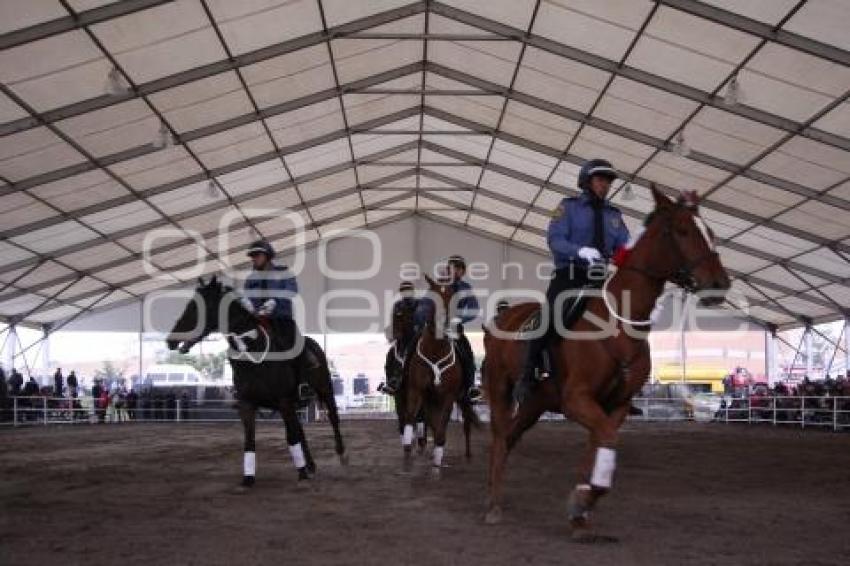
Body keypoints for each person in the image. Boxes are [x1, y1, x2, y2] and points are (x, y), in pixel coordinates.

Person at [516, 158, 630, 401]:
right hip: (570, 273)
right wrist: (579, 251)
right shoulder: (568, 207)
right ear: (587, 182)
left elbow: (624, 247)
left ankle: (619, 380)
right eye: (600, 180)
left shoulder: (614, 215)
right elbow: (555, 240)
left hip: (600, 276)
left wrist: (630, 256)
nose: (605, 186)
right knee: (551, 315)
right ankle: (527, 375)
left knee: (622, 319)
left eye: (608, 182)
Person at [242, 239, 307, 393]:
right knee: (241, 346)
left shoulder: (284, 272)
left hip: (281, 319)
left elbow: (292, 290)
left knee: (298, 346)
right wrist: (247, 304)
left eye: (257, 255)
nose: (254, 258)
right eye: (252, 256)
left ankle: (303, 384)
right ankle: (243, 388)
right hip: (258, 321)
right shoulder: (251, 279)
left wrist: (275, 302)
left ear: (267, 256)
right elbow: (247, 296)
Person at [439, 255, 481, 403]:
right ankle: (398, 380)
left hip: (455, 328)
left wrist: (459, 318)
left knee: (468, 355)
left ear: (463, 272)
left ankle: (470, 387)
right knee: (412, 347)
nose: (455, 271)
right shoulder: (438, 285)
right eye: (452, 267)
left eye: (459, 268)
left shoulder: (466, 288)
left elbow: (474, 309)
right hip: (435, 327)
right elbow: (426, 303)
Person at [380, 281, 420, 395]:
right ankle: (391, 381)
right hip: (403, 340)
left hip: (417, 338)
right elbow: (393, 322)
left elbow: (423, 321)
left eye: (408, 290)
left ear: (412, 292)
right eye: (403, 291)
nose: (406, 293)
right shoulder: (397, 305)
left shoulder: (419, 304)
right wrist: (392, 333)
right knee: (390, 356)